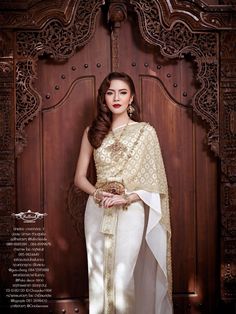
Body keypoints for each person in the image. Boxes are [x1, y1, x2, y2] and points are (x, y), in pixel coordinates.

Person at [74, 72, 173, 314]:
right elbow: (79, 178)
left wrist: (127, 197)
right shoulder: (92, 132)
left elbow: (156, 182)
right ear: (103, 98)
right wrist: (98, 195)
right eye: (110, 92)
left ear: (132, 98)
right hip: (97, 209)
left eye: (122, 92)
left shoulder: (145, 132)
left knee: (123, 276)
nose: (116, 98)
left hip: (130, 209)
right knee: (97, 275)